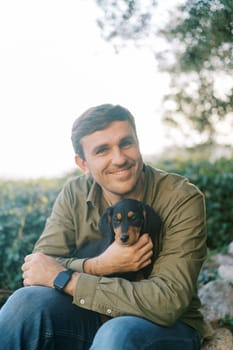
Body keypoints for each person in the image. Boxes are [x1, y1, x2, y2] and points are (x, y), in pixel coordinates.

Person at [0, 104, 206, 350]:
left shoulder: (181, 198)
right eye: (102, 150)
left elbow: (168, 302)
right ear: (83, 163)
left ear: (139, 144)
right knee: (26, 302)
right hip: (92, 315)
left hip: (165, 327)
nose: (119, 159)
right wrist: (98, 265)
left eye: (126, 143)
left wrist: (69, 279)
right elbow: (39, 268)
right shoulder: (74, 193)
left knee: (117, 332)